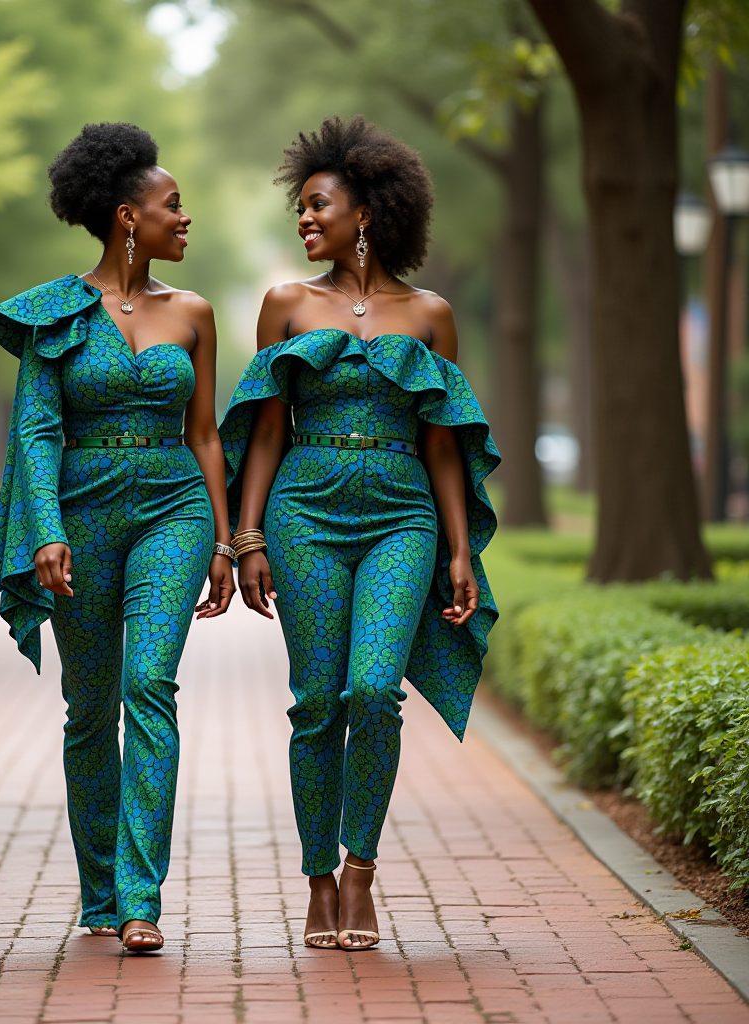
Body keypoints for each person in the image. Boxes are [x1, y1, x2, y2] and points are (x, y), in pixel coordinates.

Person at [219, 116, 500, 951]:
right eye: (299, 210)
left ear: (367, 212)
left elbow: (444, 442)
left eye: (318, 206)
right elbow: (265, 430)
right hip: (304, 511)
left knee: (374, 691)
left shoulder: (432, 316)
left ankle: (360, 873)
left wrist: (458, 550)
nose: (304, 221)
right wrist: (248, 535)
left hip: (403, 515)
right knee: (316, 700)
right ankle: (315, 880)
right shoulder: (286, 305)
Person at [0, 122, 235, 953]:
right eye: (173, 205)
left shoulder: (193, 313)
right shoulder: (57, 313)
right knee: (90, 711)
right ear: (128, 217)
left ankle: (139, 899)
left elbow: (206, 436)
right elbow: (37, 431)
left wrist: (227, 540)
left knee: (150, 688)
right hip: (80, 515)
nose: (184, 217)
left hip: (174, 510)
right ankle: (98, 892)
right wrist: (45, 530)